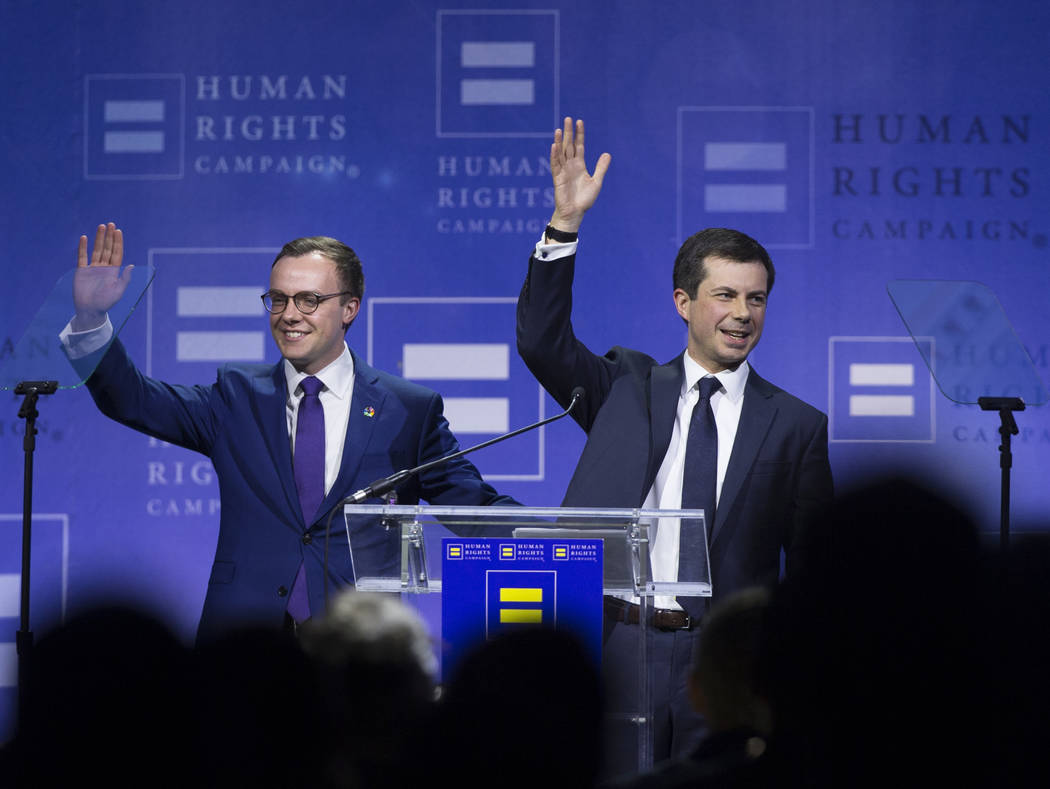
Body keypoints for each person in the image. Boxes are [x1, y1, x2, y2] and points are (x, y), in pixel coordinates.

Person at [516, 118, 833, 766]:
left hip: (726, 663)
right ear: (684, 302)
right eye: (725, 295)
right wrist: (564, 225)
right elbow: (540, 342)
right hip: (616, 642)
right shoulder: (626, 387)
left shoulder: (798, 425)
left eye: (756, 298)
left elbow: (810, 571)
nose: (743, 313)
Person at [64, 224, 516, 643]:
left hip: (357, 650)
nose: (288, 315)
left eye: (308, 300)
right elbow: (133, 400)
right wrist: (90, 320)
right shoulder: (237, 396)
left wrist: (562, 537)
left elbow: (473, 506)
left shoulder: (408, 409)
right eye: (277, 299)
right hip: (246, 646)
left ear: (349, 309)